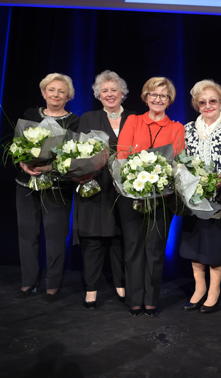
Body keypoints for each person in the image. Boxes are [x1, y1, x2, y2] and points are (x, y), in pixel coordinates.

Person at [116, 77, 185, 317]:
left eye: (163, 96)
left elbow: (176, 160)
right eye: (153, 95)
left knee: (155, 250)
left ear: (170, 101)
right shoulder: (133, 121)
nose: (158, 99)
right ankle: (135, 300)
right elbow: (122, 152)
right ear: (146, 97)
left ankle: (151, 299)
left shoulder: (176, 127)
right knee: (133, 247)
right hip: (130, 196)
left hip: (161, 199)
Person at [13, 73, 80, 304]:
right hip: (26, 184)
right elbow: (17, 146)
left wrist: (50, 167)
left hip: (57, 187)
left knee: (55, 236)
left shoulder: (74, 122)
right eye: (51, 90)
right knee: (27, 234)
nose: (56, 95)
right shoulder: (31, 115)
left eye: (61, 91)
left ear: (68, 96)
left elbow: (75, 157)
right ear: (43, 93)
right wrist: (22, 162)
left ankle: (52, 284)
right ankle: (28, 281)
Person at [180, 80, 221, 313]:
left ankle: (214, 290)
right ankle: (199, 288)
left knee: (215, 245)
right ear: (196, 105)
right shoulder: (186, 129)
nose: (208, 105)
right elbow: (180, 160)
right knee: (194, 244)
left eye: (212, 101)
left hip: (220, 198)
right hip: (193, 198)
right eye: (202, 102)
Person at [73, 70, 134, 309]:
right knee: (93, 240)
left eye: (114, 90)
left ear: (122, 94)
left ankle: (121, 284)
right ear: (99, 95)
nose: (110, 94)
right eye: (104, 91)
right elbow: (77, 151)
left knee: (121, 238)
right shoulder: (88, 118)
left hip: (125, 190)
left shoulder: (134, 118)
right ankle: (91, 289)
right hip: (94, 186)